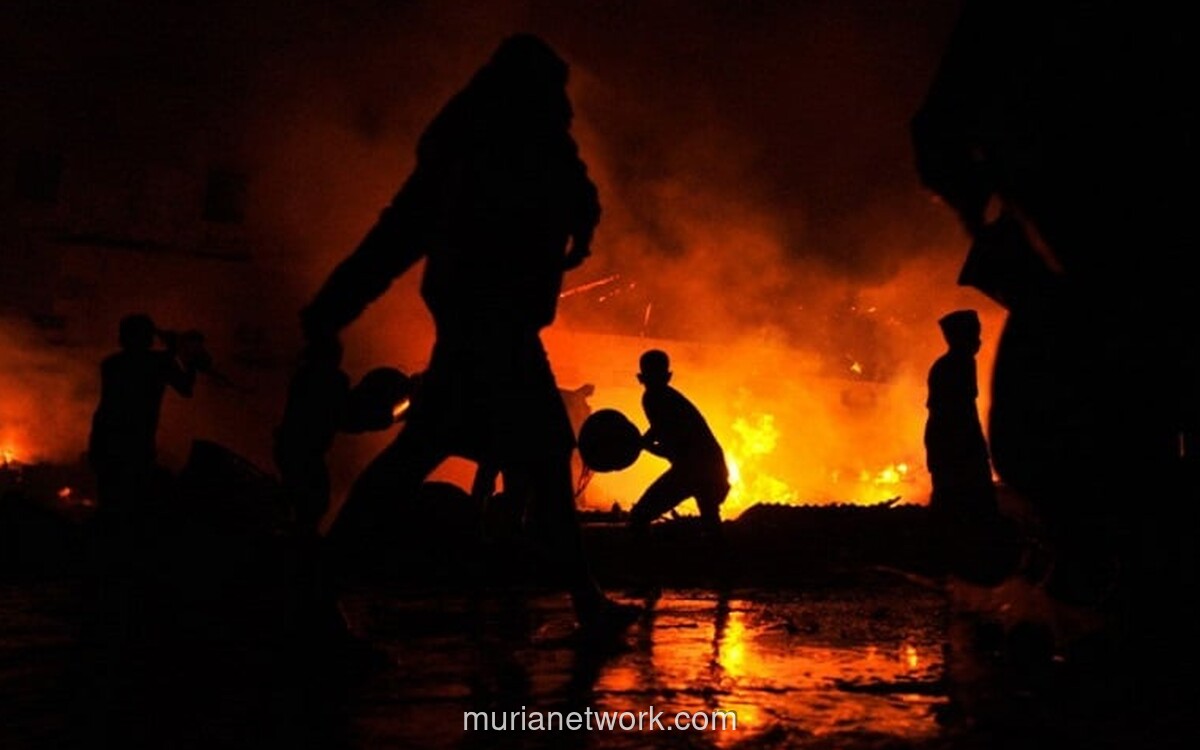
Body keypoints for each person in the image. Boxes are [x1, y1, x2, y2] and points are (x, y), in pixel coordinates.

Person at [301, 34, 635, 632]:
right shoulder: (474, 153)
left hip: (493, 328)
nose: (558, 106)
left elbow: (578, 190)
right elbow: (400, 233)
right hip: (488, 329)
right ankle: (314, 591)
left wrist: (579, 232)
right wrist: (331, 307)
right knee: (463, 453)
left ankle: (587, 602)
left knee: (504, 453)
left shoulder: (529, 146)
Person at [87, 313, 197, 516]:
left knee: (110, 502)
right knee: (133, 503)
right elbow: (185, 388)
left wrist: (172, 350)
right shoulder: (158, 363)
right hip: (136, 445)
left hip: (105, 442)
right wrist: (186, 358)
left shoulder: (111, 364)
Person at [629, 349, 729, 538]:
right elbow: (660, 429)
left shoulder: (653, 398)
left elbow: (672, 448)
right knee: (711, 525)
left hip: (694, 470)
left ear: (641, 376)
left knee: (639, 517)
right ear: (669, 376)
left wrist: (642, 445)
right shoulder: (669, 398)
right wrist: (643, 442)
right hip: (711, 468)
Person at [924, 310, 995, 517]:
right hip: (952, 440)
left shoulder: (957, 363)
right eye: (974, 335)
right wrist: (974, 444)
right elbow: (958, 411)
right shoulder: (954, 365)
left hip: (952, 439)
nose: (978, 340)